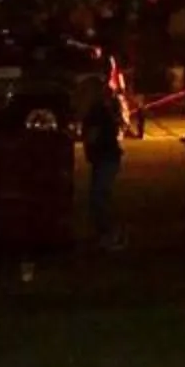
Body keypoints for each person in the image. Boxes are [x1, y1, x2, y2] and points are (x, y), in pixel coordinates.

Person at [76, 76, 126, 251]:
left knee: (99, 198)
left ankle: (111, 234)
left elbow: (93, 135)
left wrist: (80, 135)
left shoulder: (96, 111)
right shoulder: (99, 109)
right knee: (99, 197)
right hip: (104, 158)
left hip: (106, 158)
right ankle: (104, 234)